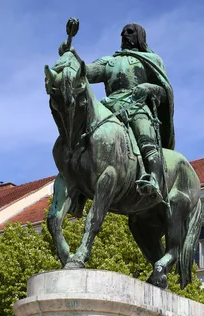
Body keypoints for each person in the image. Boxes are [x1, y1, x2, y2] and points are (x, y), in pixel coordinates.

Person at [53, 23, 175, 201]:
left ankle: (154, 180)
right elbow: (85, 72)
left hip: (136, 105)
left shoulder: (151, 59)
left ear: (140, 36)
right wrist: (71, 54)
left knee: (145, 137)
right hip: (110, 107)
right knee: (84, 134)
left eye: (130, 32)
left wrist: (149, 88)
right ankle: (79, 187)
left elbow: (165, 92)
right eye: (123, 33)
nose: (125, 35)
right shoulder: (110, 61)